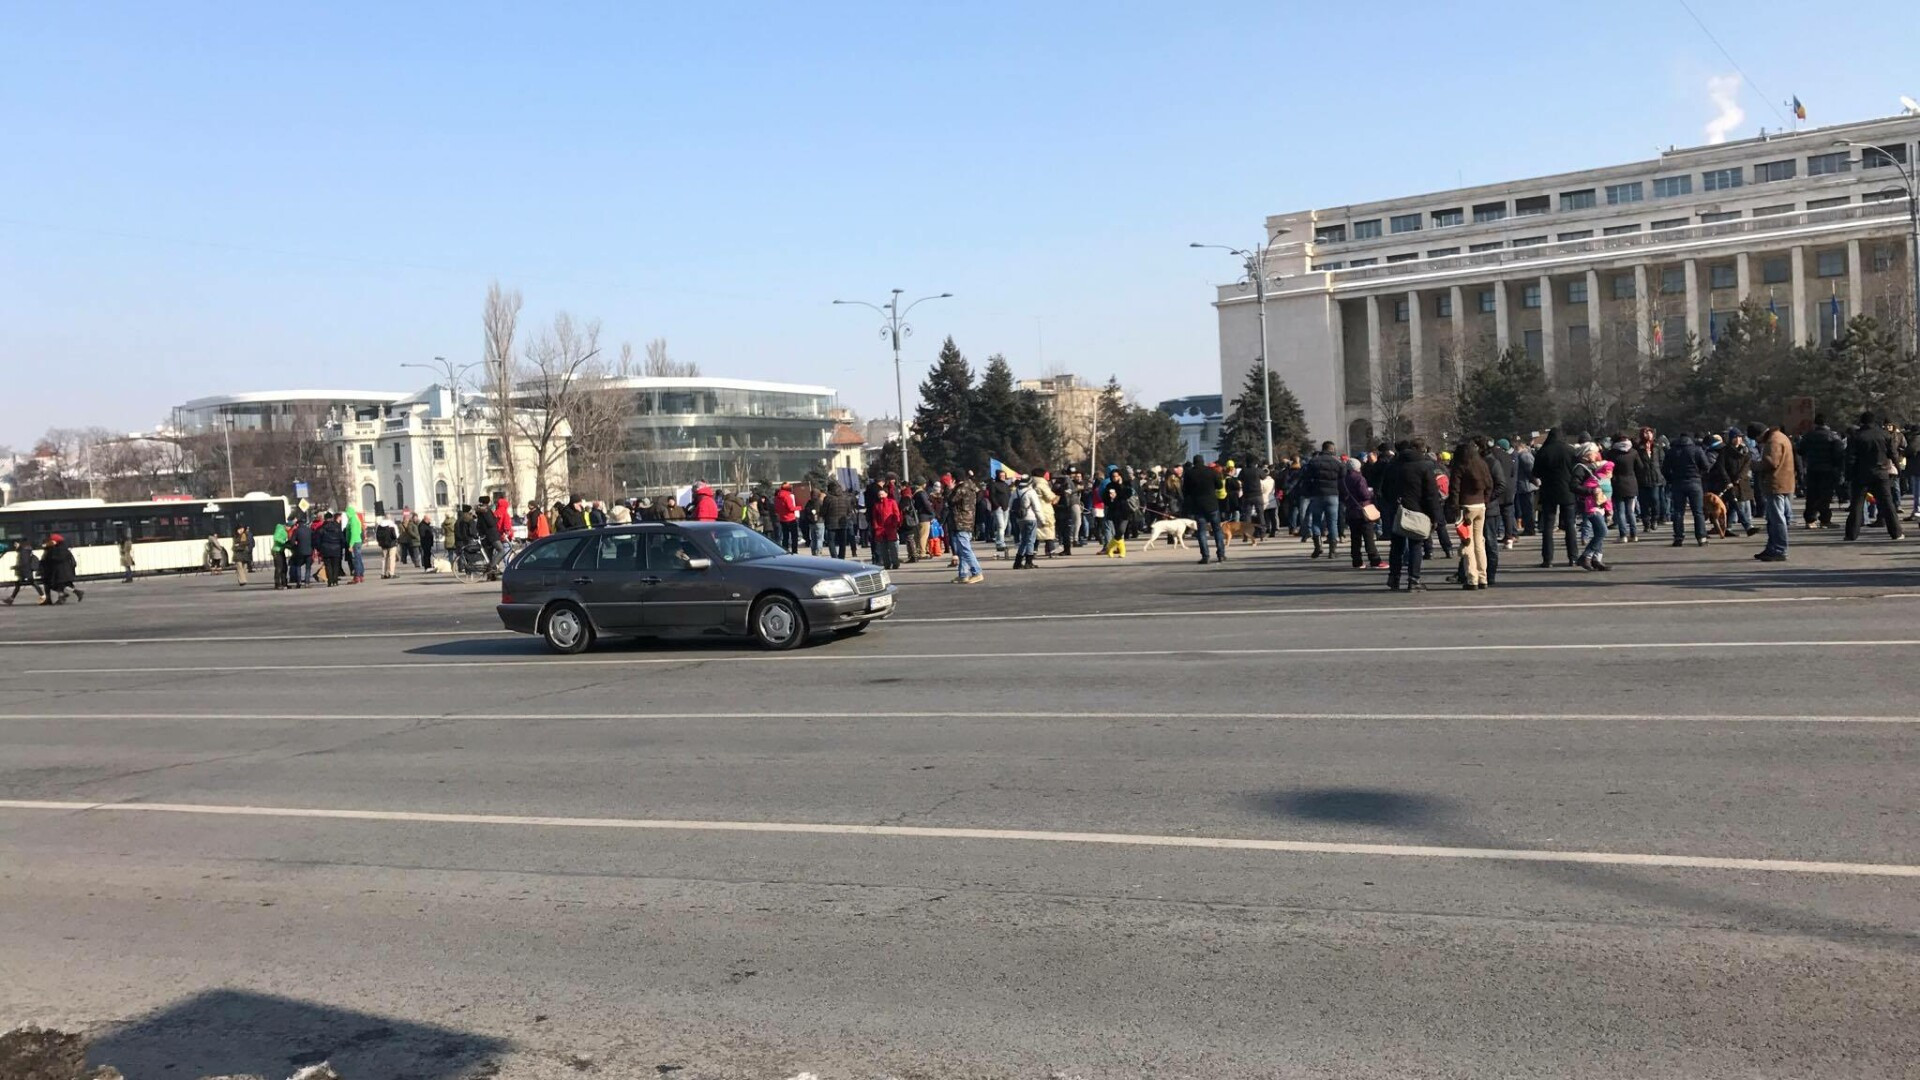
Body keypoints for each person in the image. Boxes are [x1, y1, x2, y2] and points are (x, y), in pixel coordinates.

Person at [1378, 440, 1442, 593]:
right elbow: (1431, 494)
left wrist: (1393, 503)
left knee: (1396, 546)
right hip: (1418, 509)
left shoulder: (1392, 466)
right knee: (1416, 545)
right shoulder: (1423, 466)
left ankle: (1394, 578)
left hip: (1397, 509)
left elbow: (1384, 489)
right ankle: (1413, 580)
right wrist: (1435, 516)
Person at [1845, 410, 1904, 542]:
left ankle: (1851, 534)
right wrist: (1898, 469)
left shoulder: (1856, 436)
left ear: (1861, 422)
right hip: (1881, 473)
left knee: (1857, 505)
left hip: (1861, 474)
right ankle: (1896, 532)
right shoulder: (1884, 435)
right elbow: (1893, 454)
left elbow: (1850, 458)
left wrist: (1848, 475)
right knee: (1887, 504)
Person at [1447, 439, 1494, 589]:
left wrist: (1454, 507)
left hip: (1465, 506)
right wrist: (1485, 500)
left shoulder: (1460, 466)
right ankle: (1483, 577)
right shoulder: (1482, 464)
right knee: (1479, 542)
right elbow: (1490, 485)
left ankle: (1471, 578)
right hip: (1480, 506)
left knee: (1467, 543)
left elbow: (1454, 489)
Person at [1531, 429, 1579, 568]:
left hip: (1549, 491)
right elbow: (1576, 469)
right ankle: (1573, 557)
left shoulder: (1544, 451)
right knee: (1570, 525)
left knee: (1548, 526)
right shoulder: (1570, 450)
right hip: (1568, 490)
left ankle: (1548, 559)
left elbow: (1536, 472)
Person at [1752, 421, 1796, 562]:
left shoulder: (1773, 441)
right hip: (1784, 482)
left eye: (1755, 439)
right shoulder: (1781, 436)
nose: (1756, 442)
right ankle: (1772, 547)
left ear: (1759, 435)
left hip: (1776, 484)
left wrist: (1753, 464)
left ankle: (1779, 549)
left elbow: (1771, 463)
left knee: (1777, 519)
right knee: (1773, 518)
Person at [1663, 432, 1711, 546]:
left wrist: (1671, 479)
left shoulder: (1671, 451)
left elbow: (1664, 469)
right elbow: (1706, 467)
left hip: (1678, 483)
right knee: (1698, 512)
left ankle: (1678, 538)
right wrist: (1699, 475)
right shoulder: (1697, 450)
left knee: (1678, 512)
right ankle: (1701, 537)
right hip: (1695, 482)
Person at [1799, 414, 1846, 528]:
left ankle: (1810, 520)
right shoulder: (1833, 436)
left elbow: (1800, 450)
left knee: (1811, 495)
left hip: (1812, 469)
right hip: (1828, 470)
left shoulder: (1808, 436)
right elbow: (1839, 455)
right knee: (1825, 496)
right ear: (1826, 423)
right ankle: (1825, 519)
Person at [1574, 442, 1613, 571]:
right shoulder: (1580, 468)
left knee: (1598, 531)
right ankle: (1586, 556)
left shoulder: (1592, 467)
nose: (1596, 454)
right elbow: (1574, 486)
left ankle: (1597, 558)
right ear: (1586, 454)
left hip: (1599, 503)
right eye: (1593, 452)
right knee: (1602, 531)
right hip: (1589, 504)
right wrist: (1591, 491)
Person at [1339, 458, 1384, 570]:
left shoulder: (1343, 480)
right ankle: (1374, 560)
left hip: (1350, 510)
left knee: (1355, 538)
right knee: (1368, 537)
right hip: (1362, 511)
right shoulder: (1359, 478)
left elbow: (1342, 495)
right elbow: (1365, 494)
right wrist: (1371, 492)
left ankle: (1357, 561)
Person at [1181, 454, 1224, 564]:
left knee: (1201, 531)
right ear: (1203, 461)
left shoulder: (1189, 474)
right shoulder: (1211, 471)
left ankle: (1205, 556)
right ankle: (1221, 554)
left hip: (1198, 506)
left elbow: (1185, 491)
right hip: (1212, 505)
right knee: (1217, 530)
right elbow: (1219, 485)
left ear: (1194, 462)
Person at [948, 471, 983, 583]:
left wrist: (950, 489)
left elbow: (951, 500)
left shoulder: (961, 488)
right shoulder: (971, 486)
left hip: (961, 521)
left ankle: (977, 572)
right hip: (968, 520)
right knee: (963, 549)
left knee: (965, 549)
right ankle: (963, 574)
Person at [1603, 436, 1639, 543]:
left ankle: (1623, 535)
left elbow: (1607, 468)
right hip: (1631, 483)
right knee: (1630, 511)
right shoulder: (1633, 452)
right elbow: (1640, 467)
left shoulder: (1612, 453)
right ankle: (1634, 534)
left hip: (1617, 483)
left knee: (1620, 511)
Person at [37, 534, 81, 605]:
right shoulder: (58, 548)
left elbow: (53, 559)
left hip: (58, 571)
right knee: (55, 585)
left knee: (57, 585)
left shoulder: (58, 549)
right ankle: (61, 597)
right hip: (58, 571)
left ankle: (68, 594)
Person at [1102, 467, 1135, 558]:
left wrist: (1120, 487)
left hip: (1125, 510)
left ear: (1120, 476)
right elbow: (1105, 499)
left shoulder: (1126, 484)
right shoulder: (1109, 486)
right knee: (1118, 532)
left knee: (1121, 530)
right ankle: (1122, 551)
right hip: (1114, 511)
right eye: (1113, 476)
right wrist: (1111, 498)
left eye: (1116, 476)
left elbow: (1127, 495)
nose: (1114, 478)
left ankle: (1109, 546)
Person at [315, 512, 346, 586]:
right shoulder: (337, 528)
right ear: (332, 518)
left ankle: (330, 581)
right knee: (336, 565)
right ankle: (335, 580)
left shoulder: (321, 528)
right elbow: (342, 539)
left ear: (325, 519)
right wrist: (342, 547)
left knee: (328, 566)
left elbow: (317, 540)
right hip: (336, 549)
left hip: (325, 549)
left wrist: (319, 549)